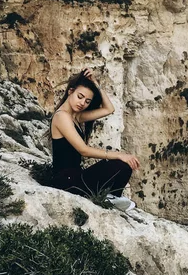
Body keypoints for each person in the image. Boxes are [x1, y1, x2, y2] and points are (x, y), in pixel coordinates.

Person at [50, 68, 140, 211]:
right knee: (119, 163)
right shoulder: (61, 116)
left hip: (76, 176)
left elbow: (108, 109)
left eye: (87, 101)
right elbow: (83, 150)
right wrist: (119, 154)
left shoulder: (76, 117)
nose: (82, 103)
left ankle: (111, 197)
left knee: (125, 166)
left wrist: (96, 84)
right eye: (79, 96)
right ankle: (110, 198)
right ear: (70, 91)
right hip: (65, 182)